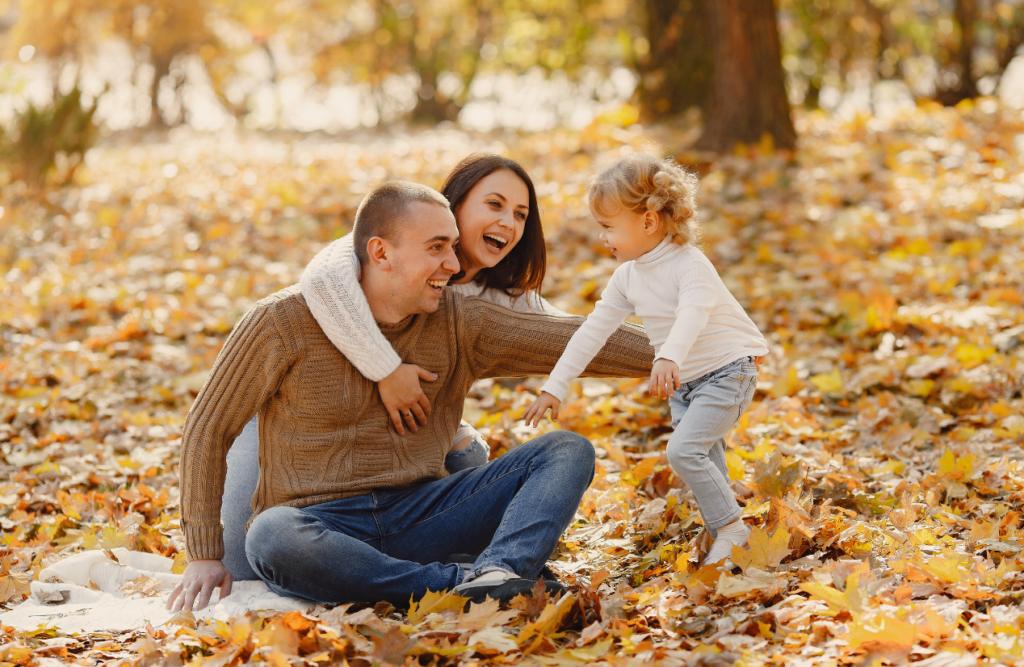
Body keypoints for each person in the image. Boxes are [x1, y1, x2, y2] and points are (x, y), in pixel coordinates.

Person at [167, 181, 654, 613]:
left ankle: (500, 571)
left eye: (454, 246)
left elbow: (575, 339)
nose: (454, 263)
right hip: (319, 522)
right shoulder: (281, 321)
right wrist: (204, 554)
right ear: (381, 253)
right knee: (270, 536)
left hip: (425, 511)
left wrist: (693, 351)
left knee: (567, 450)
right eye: (438, 247)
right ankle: (463, 585)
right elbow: (207, 428)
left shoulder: (461, 321)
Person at [219, 155, 570, 582]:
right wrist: (385, 369)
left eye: (521, 214)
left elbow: (571, 335)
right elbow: (323, 280)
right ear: (453, 206)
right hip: (301, 434)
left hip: (407, 451)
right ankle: (424, 572)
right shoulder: (395, 240)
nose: (508, 223)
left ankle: (476, 570)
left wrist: (671, 345)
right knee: (243, 563)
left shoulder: (506, 299)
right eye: (494, 205)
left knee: (470, 452)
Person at [522, 153, 769, 567]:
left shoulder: (690, 265)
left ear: (648, 222)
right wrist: (555, 385)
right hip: (686, 384)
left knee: (684, 451)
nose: (603, 238)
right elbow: (593, 330)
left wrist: (668, 355)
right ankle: (725, 537)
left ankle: (731, 530)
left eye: (608, 227)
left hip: (728, 370)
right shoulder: (628, 276)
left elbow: (694, 312)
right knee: (705, 454)